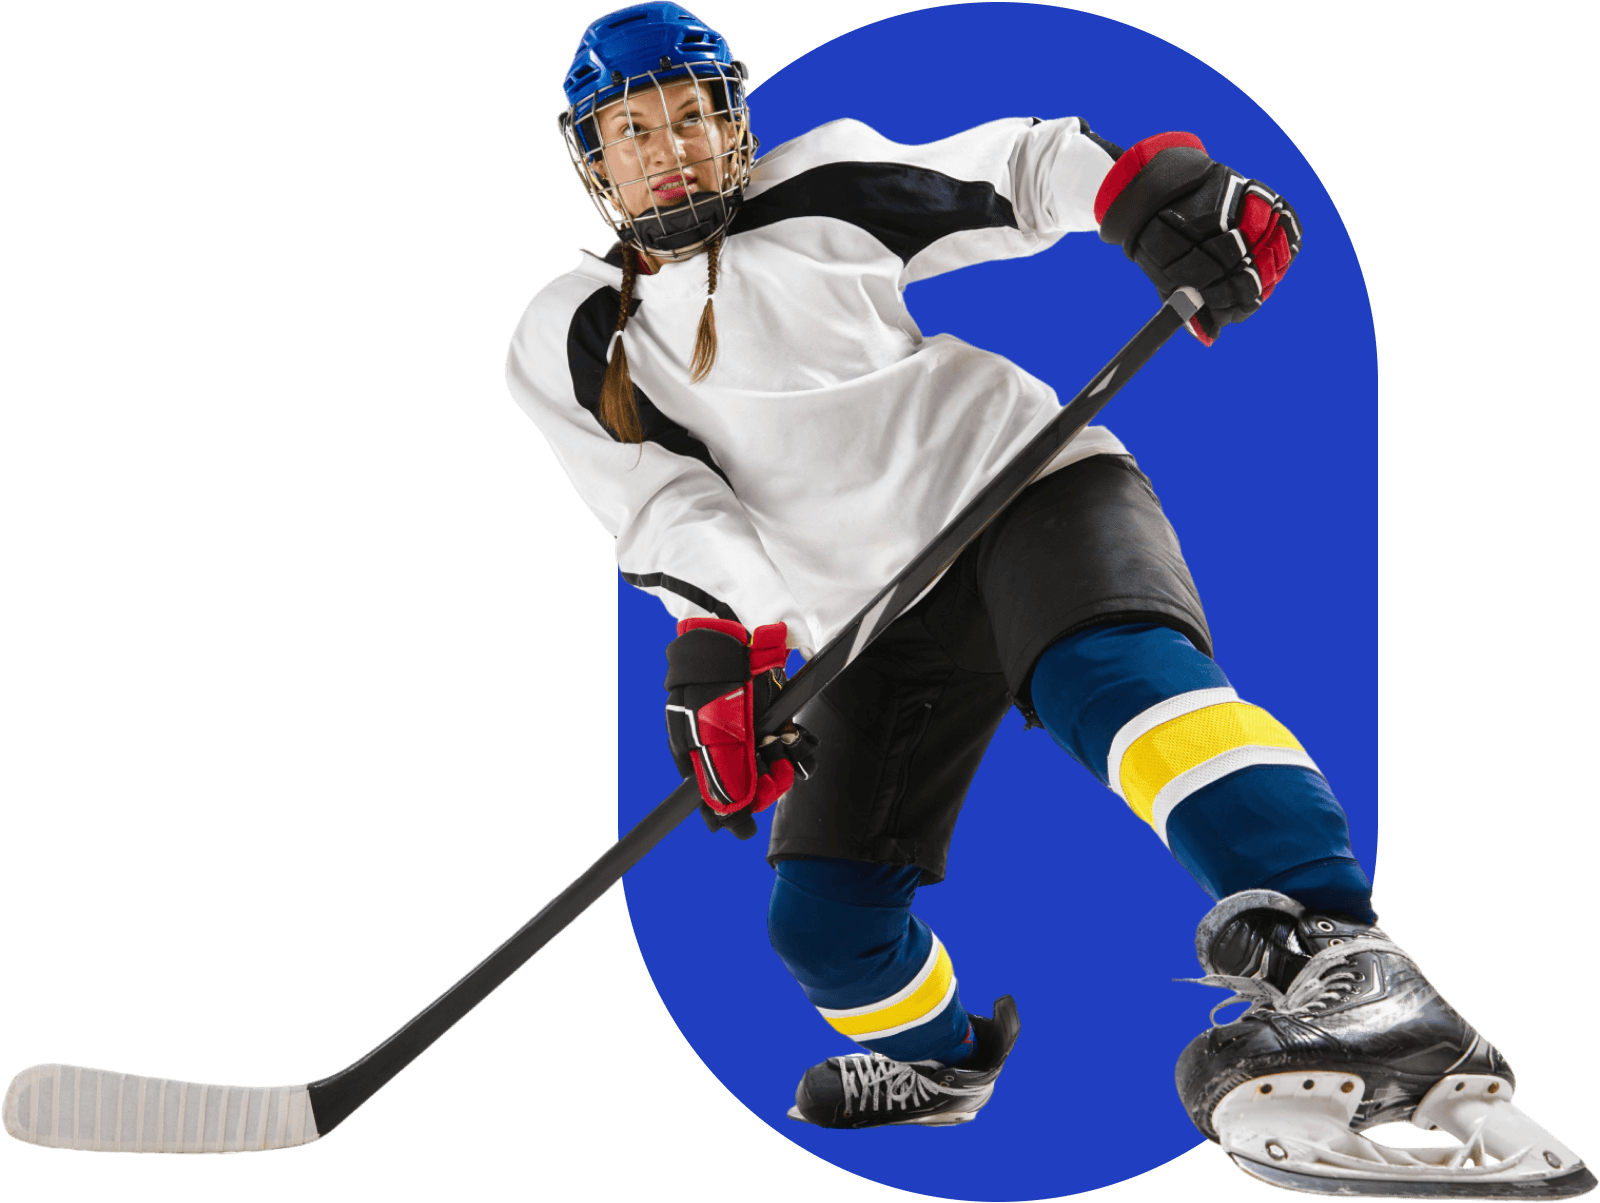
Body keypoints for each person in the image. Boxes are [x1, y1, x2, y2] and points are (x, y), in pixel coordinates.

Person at [506, 5, 1594, 1197]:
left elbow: (1015, 170)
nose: (671, 145)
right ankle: (943, 1063)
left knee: (1122, 691)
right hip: (860, 621)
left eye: (693, 116)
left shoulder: (817, 184)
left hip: (1021, 492)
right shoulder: (564, 335)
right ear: (591, 156)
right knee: (818, 926)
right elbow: (665, 506)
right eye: (633, 128)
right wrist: (734, 640)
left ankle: (1350, 966)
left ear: (733, 121)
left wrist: (1144, 195)